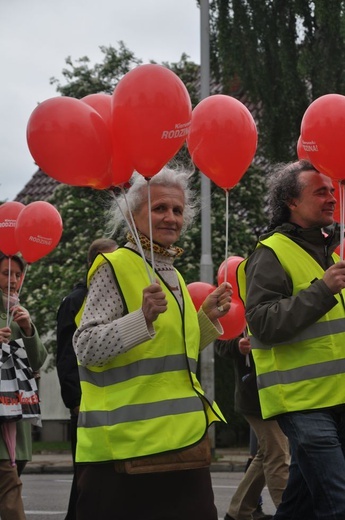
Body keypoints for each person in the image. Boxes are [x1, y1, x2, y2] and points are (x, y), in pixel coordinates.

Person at [73, 166, 233, 520]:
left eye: (177, 210)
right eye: (160, 208)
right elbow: (85, 348)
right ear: (133, 215)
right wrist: (140, 318)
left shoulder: (172, 272)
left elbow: (172, 354)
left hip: (183, 445)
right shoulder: (112, 266)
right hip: (124, 452)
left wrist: (205, 318)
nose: (171, 218)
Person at [237, 159, 345, 520]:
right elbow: (263, 322)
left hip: (335, 399)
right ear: (292, 202)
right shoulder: (270, 253)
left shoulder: (325, 251)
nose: (332, 198)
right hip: (302, 402)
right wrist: (324, 290)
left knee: (300, 504)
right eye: (320, 191)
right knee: (337, 503)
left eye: (332, 190)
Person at [56, 237, 118, 520]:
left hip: (106, 400)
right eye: (109, 261)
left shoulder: (105, 297)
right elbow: (68, 355)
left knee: (96, 477)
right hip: (84, 402)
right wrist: (75, 400)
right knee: (85, 476)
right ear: (94, 264)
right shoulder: (77, 301)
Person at [215, 336, 289, 520]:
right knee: (277, 453)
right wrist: (237, 346)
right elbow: (219, 342)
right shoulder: (234, 306)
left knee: (267, 453)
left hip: (278, 392)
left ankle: (237, 513)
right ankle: (289, 511)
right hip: (256, 396)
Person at [0, 252, 47, 520]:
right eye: (7, 273)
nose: (14, 280)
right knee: (10, 494)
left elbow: (38, 360)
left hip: (18, 420)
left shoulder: (18, 313)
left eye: (17, 275)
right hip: (2, 426)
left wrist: (28, 330)